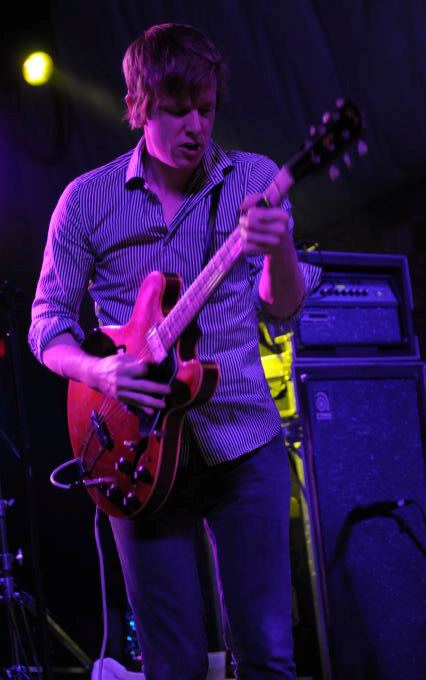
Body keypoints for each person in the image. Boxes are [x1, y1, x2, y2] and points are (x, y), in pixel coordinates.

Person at [29, 22, 321, 680]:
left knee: (270, 655)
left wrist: (278, 246)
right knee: (175, 665)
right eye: (177, 109)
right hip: (134, 455)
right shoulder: (86, 201)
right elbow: (46, 323)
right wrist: (101, 369)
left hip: (241, 442)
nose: (196, 125)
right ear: (138, 106)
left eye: (207, 108)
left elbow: (282, 307)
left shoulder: (253, 179)